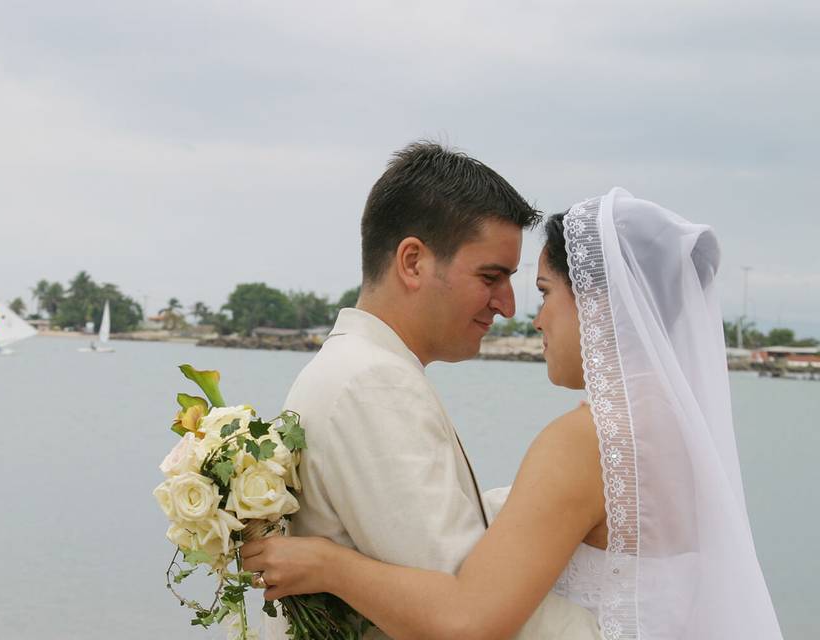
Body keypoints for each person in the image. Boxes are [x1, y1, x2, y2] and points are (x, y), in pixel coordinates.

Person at [244, 188, 784, 639]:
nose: (529, 316)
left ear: (598, 305)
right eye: (493, 278)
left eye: (544, 292)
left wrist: (330, 566)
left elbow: (468, 620)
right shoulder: (677, 434)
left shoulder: (586, 440)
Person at [260, 142, 600, 639]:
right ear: (413, 262)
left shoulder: (356, 369)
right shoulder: (372, 383)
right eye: (491, 276)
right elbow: (464, 604)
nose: (507, 305)